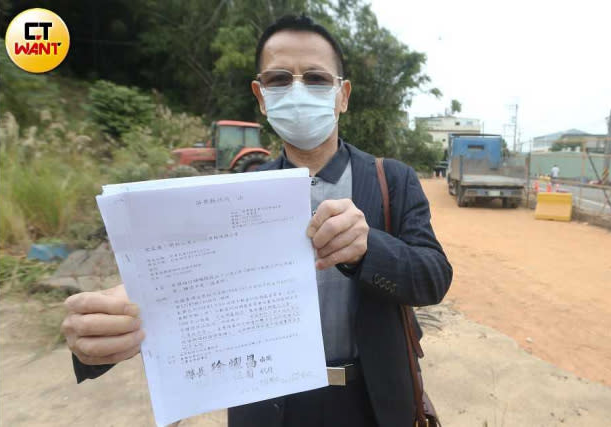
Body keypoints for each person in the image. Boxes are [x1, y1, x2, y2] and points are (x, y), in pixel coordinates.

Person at [60, 15, 453, 427]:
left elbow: (434, 277)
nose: (298, 90)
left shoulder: (391, 179)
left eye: (317, 79)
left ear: (343, 96)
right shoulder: (228, 197)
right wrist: (105, 330)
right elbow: (182, 290)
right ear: (261, 97)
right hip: (269, 407)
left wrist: (369, 248)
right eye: (280, 79)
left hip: (373, 404)